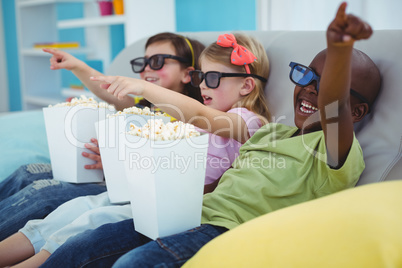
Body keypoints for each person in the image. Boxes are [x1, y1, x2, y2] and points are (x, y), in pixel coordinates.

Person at [30, 2, 380, 267]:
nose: (308, 91)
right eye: (305, 76)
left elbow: (332, 104)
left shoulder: (333, 151)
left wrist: (339, 51)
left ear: (356, 111)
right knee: (84, 244)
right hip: (188, 213)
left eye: (324, 84)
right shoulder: (270, 132)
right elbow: (213, 160)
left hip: (227, 230)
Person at [0, 32, 271, 267]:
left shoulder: (248, 122)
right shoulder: (196, 117)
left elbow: (200, 116)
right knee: (72, 210)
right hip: (142, 190)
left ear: (246, 85)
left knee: (89, 220)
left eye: (212, 78)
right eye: (201, 77)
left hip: (170, 205)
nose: (201, 86)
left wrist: (144, 88)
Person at [0, 32, 205, 241]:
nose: (146, 69)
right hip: (99, 176)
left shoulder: (188, 119)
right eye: (143, 62)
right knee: (27, 172)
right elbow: (107, 90)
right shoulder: (142, 108)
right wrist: (76, 66)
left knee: (42, 194)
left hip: (119, 190)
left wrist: (113, 163)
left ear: (187, 74)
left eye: (158, 61)